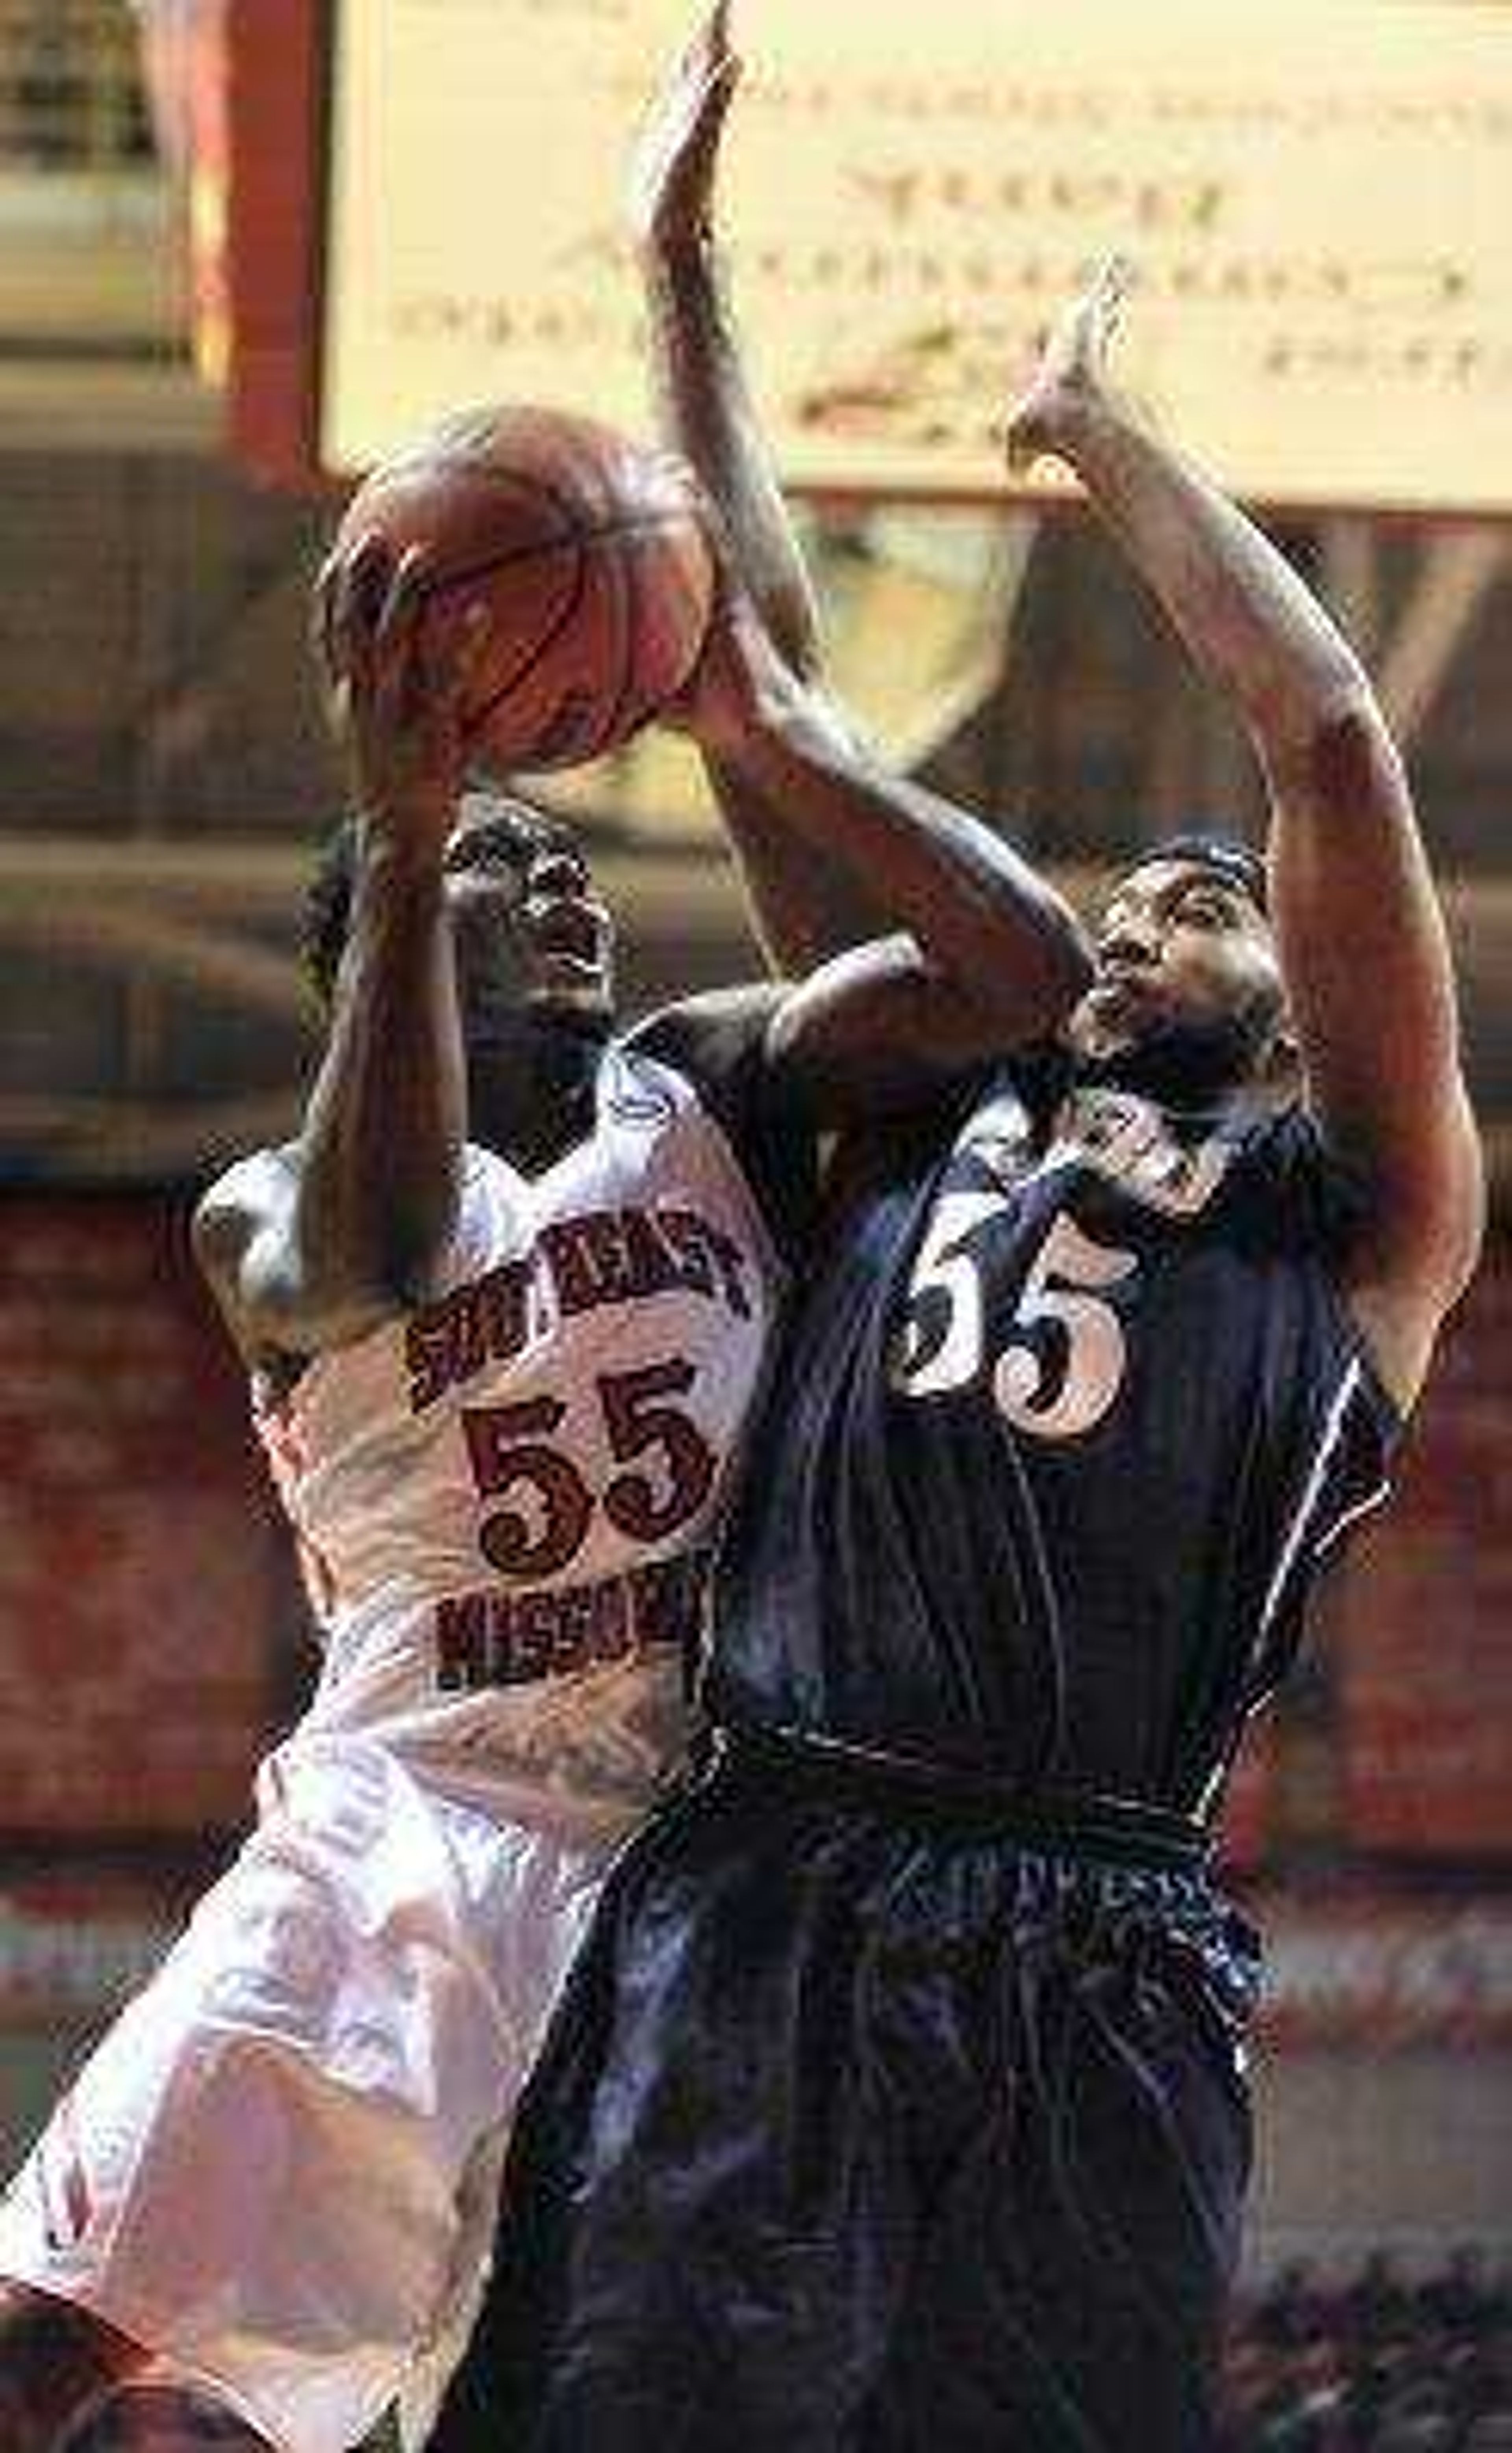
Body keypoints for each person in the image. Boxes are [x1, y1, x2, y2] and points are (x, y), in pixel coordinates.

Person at [428, 25, 1483, 2451]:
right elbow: (759, 676)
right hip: (777, 1876)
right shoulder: (929, 1104)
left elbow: (1326, 741)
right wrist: (675, 267)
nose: (1146, 913)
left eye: (1200, 907)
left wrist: (1099, 432)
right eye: (1125, 897)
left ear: (1298, 1016)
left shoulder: (1361, 1224)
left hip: (1097, 1936)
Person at [0, 524, 1090, 2450]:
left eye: (570, 861)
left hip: (681, 1873)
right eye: (514, 866)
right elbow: (389, 1254)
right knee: (43, 2334)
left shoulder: (717, 1092)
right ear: (374, 953)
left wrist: (764, 727)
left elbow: (1028, 978)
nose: (566, 887)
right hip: (391, 1824)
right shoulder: (263, 1206)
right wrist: (414, 831)